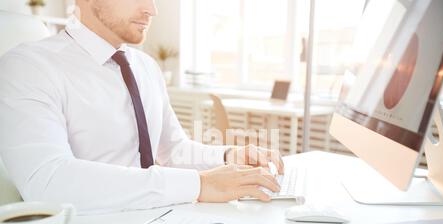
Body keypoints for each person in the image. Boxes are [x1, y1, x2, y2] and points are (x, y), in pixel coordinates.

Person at [0, 0, 284, 212]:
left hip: (162, 221)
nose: (152, 9)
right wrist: (198, 184)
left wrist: (230, 156)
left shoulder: (146, 66)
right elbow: (48, 183)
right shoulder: (29, 66)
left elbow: (173, 150)